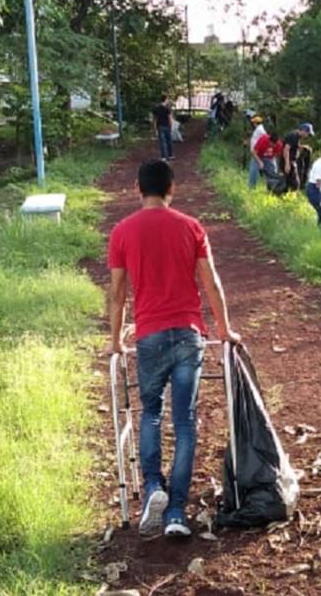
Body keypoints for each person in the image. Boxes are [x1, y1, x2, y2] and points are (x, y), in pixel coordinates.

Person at [108, 160, 241, 538]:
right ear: (172, 189)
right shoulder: (191, 227)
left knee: (150, 412)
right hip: (188, 332)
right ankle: (177, 512)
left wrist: (116, 339)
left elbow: (118, 293)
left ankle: (153, 488)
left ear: (138, 188)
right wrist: (225, 329)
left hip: (148, 335)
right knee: (184, 421)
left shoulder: (122, 232)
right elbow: (211, 281)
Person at [281, 123, 314, 192]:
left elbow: (295, 145)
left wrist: (303, 147)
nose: (308, 136)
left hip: (291, 161)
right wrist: (287, 164)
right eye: (308, 134)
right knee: (294, 183)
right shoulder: (293, 136)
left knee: (292, 182)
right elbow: (286, 149)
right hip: (288, 161)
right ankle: (288, 196)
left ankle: (287, 196)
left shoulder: (297, 136)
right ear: (304, 131)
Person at [151, 95, 174, 161]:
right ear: (166, 100)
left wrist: (155, 129)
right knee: (169, 141)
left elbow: (155, 120)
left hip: (160, 126)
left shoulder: (156, 109)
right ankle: (170, 155)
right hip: (167, 126)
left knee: (162, 142)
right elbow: (170, 119)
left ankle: (163, 156)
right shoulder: (167, 109)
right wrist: (171, 127)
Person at [247, 115, 267, 190]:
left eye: (253, 123)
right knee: (253, 169)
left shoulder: (260, 130)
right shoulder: (258, 129)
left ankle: (251, 187)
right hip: (255, 152)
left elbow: (265, 139)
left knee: (254, 170)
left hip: (257, 153)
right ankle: (251, 186)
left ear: (256, 123)